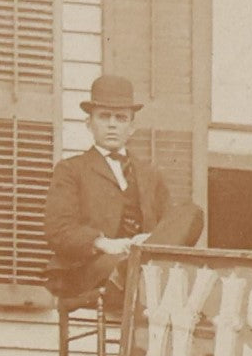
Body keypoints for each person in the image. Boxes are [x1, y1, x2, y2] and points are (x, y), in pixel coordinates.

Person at [41, 74, 204, 302]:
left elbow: (169, 224)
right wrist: (106, 244)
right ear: (89, 124)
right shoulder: (71, 169)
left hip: (143, 259)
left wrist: (149, 240)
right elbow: (58, 230)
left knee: (191, 212)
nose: (112, 124)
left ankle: (138, 265)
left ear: (131, 127)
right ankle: (134, 269)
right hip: (93, 267)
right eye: (104, 117)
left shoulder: (149, 174)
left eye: (121, 118)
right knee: (122, 265)